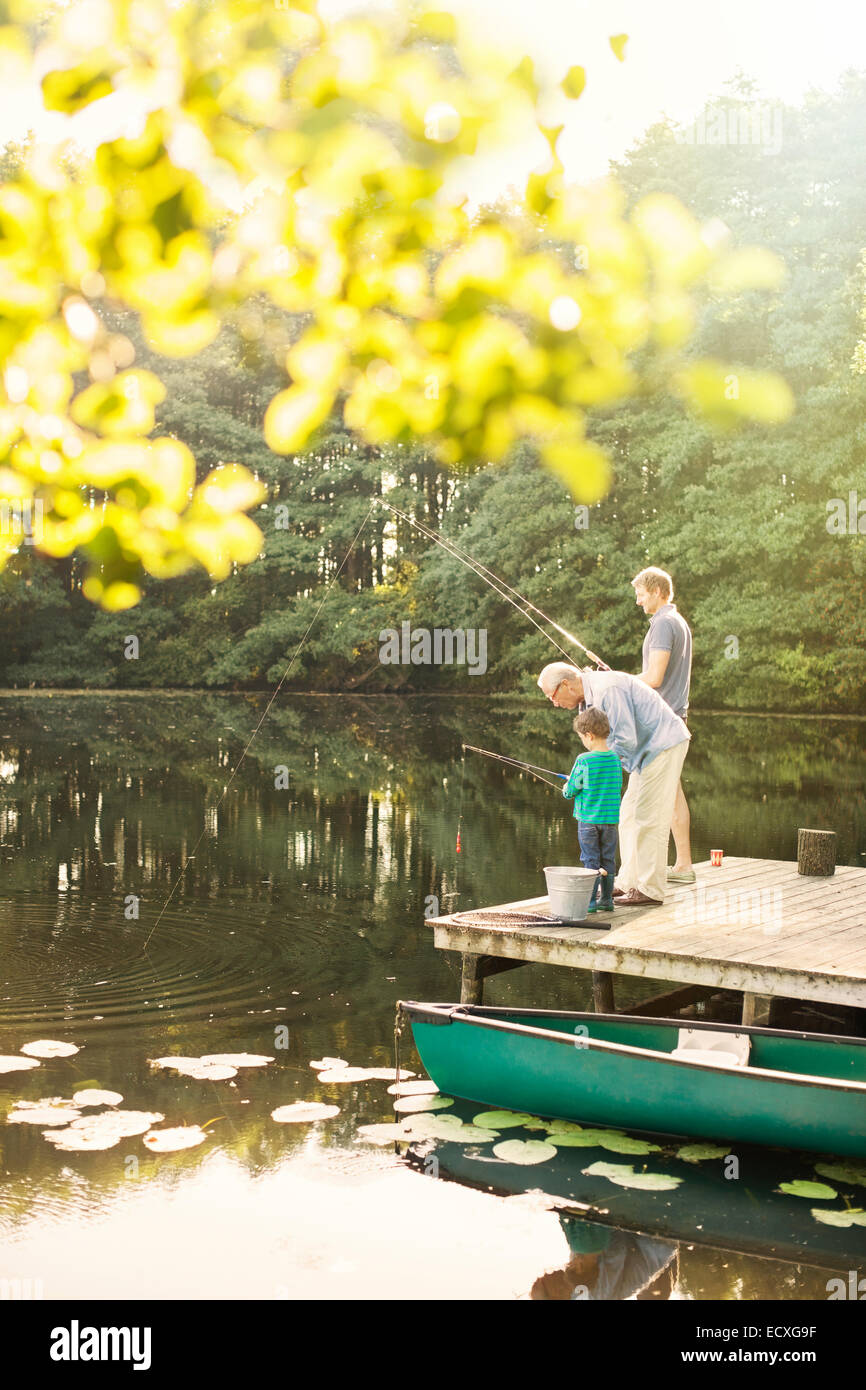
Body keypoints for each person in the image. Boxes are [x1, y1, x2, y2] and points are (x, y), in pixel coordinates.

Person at [536, 662, 690, 905]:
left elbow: (626, 739)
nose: (553, 703)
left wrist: (598, 770)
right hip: (644, 753)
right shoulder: (588, 698)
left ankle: (651, 890)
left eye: (552, 696)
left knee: (648, 818)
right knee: (628, 816)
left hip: (663, 745)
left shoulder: (608, 690)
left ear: (565, 684)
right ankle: (628, 882)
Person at [632, 567, 694, 885]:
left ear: (657, 591)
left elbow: (654, 678)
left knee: (650, 797)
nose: (639, 602)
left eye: (641, 595)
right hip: (674, 719)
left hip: (661, 721)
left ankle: (658, 870)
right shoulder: (677, 622)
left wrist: (619, 681)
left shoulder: (663, 625)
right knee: (672, 794)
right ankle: (683, 864)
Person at [562, 707, 622, 914]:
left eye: (581, 737)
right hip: (610, 821)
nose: (582, 742)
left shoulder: (584, 760)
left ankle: (589, 903)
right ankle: (607, 900)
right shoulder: (615, 760)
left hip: (588, 821)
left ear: (589, 735)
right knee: (608, 859)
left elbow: (571, 790)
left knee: (590, 860)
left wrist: (567, 786)